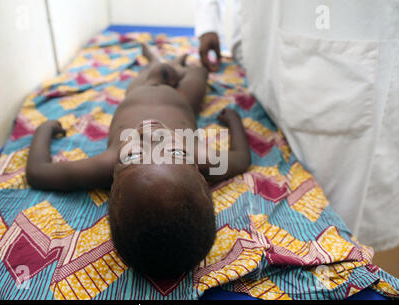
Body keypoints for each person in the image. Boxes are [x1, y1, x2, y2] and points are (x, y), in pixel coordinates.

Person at [195, 0, 399, 275]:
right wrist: (209, 20)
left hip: (337, 68)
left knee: (351, 241)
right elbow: (238, 159)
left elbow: (236, 159)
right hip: (272, 57)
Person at [25, 44, 252, 278]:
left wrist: (44, 129)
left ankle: (157, 62)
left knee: (154, 72)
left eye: (132, 156)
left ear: (112, 186)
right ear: (200, 175)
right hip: (181, 99)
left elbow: (39, 172)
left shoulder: (107, 164)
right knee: (199, 74)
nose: (149, 133)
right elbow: (241, 158)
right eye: (176, 152)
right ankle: (169, 64)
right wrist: (234, 120)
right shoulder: (200, 158)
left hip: (139, 93)